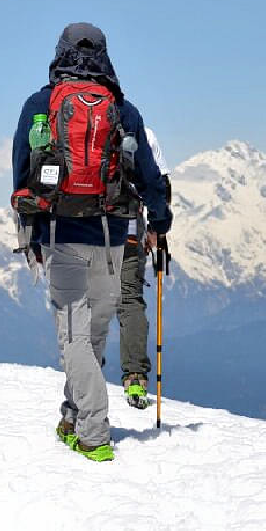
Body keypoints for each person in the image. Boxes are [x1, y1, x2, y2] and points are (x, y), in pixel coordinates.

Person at [11, 22, 172, 462]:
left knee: (73, 337)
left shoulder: (40, 105)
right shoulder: (123, 109)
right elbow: (150, 179)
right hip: (115, 237)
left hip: (62, 233)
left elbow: (22, 169)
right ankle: (72, 416)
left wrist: (31, 232)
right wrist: (161, 220)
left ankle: (94, 432)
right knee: (95, 330)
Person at [118, 127, 168, 410]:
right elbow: (161, 184)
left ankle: (82, 380)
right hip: (128, 230)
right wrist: (156, 228)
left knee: (85, 304)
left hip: (83, 232)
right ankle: (135, 377)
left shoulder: (69, 116)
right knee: (129, 300)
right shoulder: (142, 131)